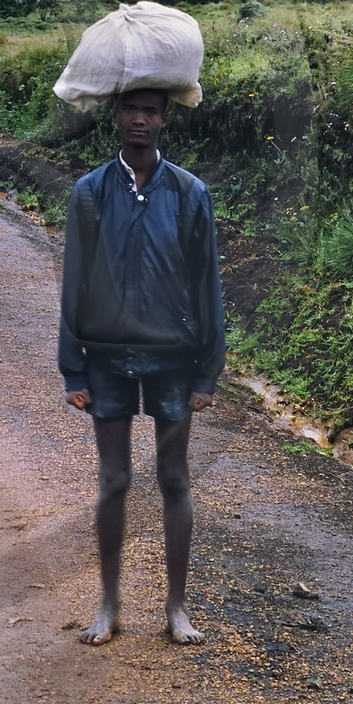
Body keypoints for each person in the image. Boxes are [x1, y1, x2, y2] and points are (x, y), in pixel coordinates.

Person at [59, 87, 224, 645]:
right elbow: (75, 283)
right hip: (105, 359)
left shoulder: (188, 193)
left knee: (174, 478)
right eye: (130, 109)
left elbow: (206, 285)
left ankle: (176, 608)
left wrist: (207, 371)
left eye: (150, 111)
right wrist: (73, 369)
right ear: (115, 116)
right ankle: (108, 604)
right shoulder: (89, 193)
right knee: (114, 480)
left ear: (164, 120)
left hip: (173, 359)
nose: (139, 119)